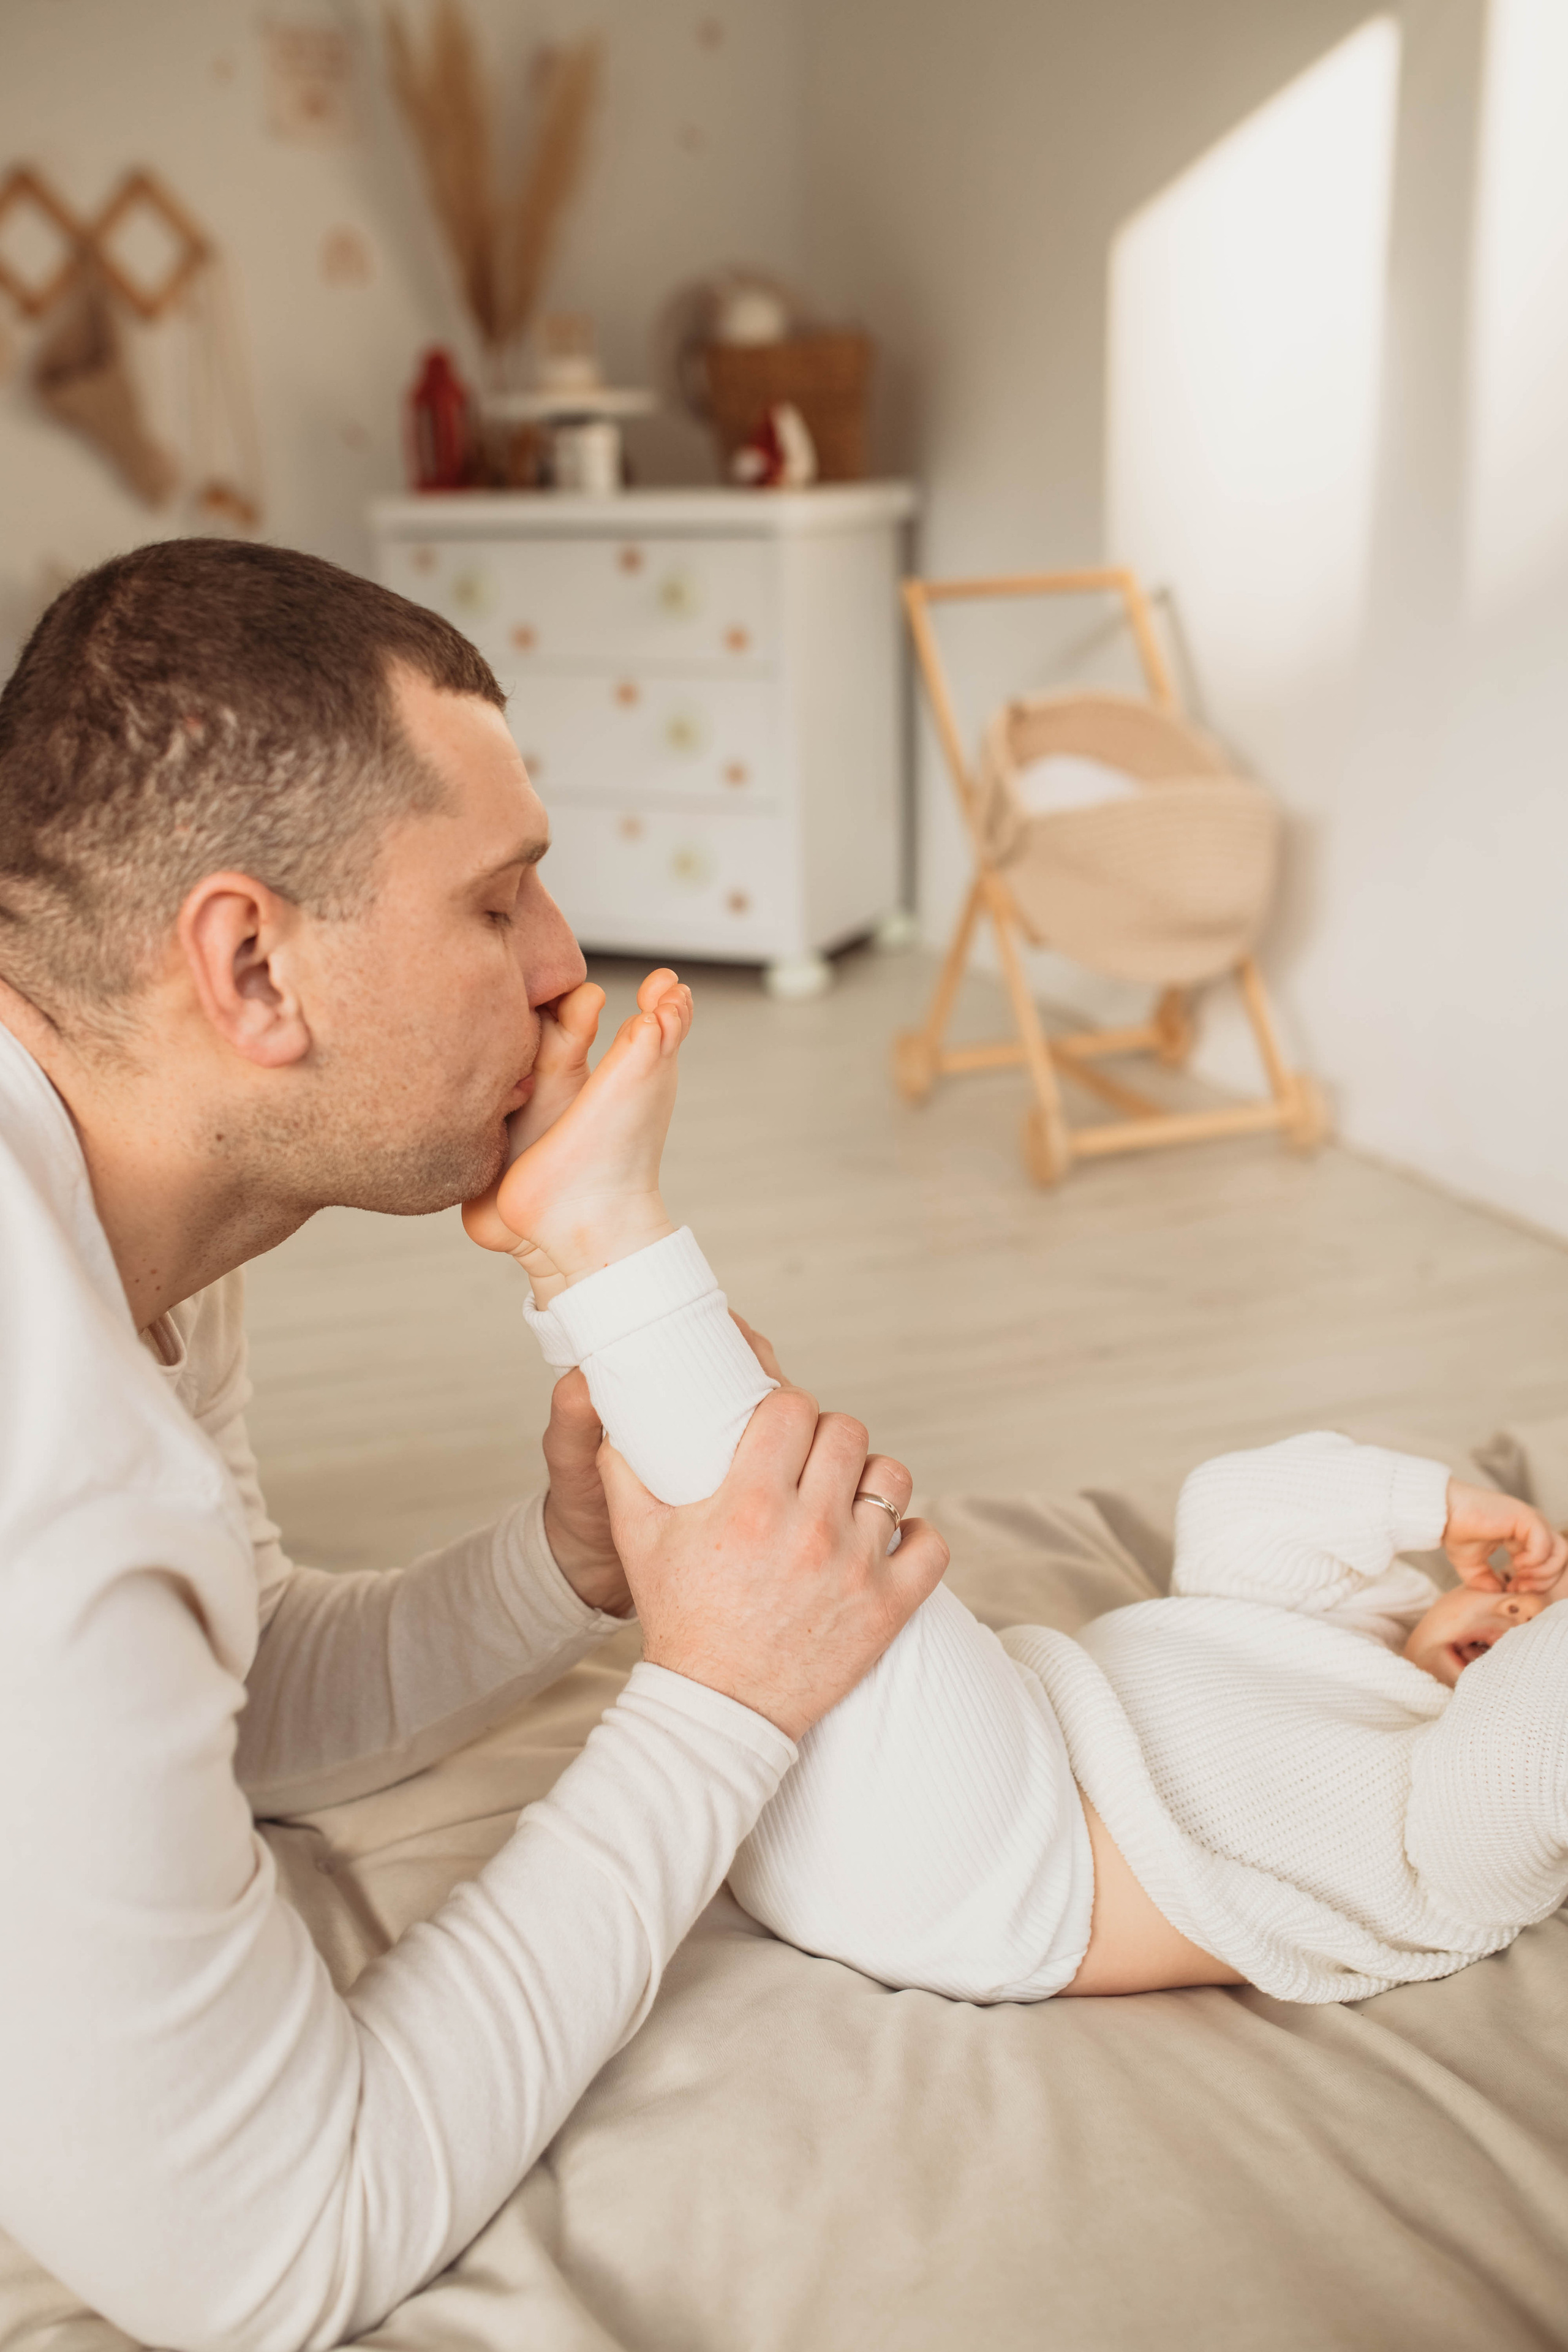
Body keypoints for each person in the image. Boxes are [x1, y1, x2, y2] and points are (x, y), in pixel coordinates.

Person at [0, 540, 949, 2351]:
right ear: (252, 965)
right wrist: (722, 1705)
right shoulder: (52, 1465)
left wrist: (563, 1569)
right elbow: (274, 2252)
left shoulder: (134, 1202)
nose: (567, 964)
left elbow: (228, 1698)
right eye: (498, 900)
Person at [472, 969, 1568, 2010]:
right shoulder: (1357, 1631)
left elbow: (1532, 1741)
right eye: (1527, 1600)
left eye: (1537, 1630)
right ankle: (572, 1261)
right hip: (892, 1759)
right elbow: (1236, 1516)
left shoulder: (1468, 1855)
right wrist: (1431, 1506)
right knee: (770, 1471)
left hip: (1004, 1863)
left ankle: (606, 1236)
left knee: (792, 1499)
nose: (1521, 1617)